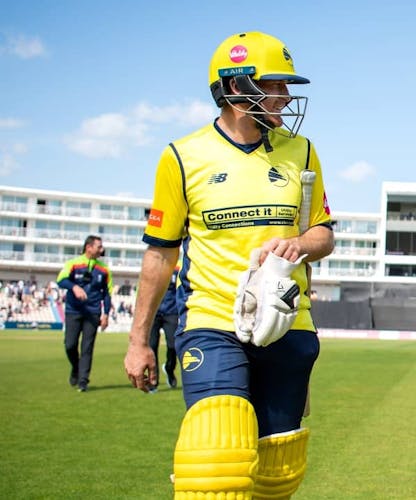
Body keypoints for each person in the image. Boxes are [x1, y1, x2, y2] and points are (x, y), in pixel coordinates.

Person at [123, 31, 333, 499]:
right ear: (236, 88)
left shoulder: (301, 151)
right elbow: (160, 253)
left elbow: (323, 233)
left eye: (286, 86)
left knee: (277, 474)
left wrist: (297, 244)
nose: (285, 96)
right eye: (274, 85)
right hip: (212, 321)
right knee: (215, 455)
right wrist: (139, 341)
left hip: (289, 325)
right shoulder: (182, 156)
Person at [57, 235, 112, 392]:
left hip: (93, 313)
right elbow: (61, 280)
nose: (102, 249)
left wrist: (106, 314)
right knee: (70, 345)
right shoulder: (73, 264)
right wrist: (74, 287)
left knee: (87, 347)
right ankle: (76, 367)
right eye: (99, 246)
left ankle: (83, 381)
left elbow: (107, 293)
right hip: (73, 310)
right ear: (89, 247)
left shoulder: (104, 269)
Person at [148, 265, 180, 391]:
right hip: (154, 313)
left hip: (171, 312)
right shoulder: (152, 267)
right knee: (152, 345)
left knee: (173, 346)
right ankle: (153, 380)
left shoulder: (177, 269)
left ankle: (169, 369)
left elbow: (180, 291)